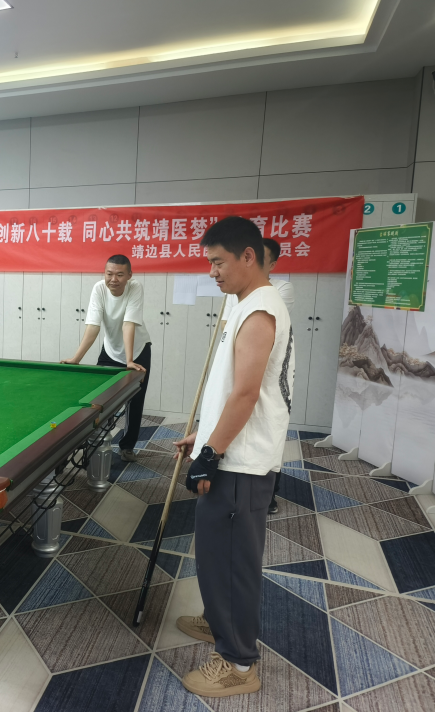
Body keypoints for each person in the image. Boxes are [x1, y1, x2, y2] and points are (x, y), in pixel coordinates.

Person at [172, 216, 294, 698]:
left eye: (218, 261)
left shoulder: (261, 310)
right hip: (231, 450)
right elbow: (230, 389)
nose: (212, 271)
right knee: (216, 553)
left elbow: (246, 395)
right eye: (209, 262)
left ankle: (239, 662)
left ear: (248, 256)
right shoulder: (244, 303)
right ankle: (218, 619)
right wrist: (204, 435)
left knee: (232, 561)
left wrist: (211, 453)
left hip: (240, 462)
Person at [220, 237, 295, 515]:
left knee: (265, 431)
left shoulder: (276, 292)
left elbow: (255, 327)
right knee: (236, 426)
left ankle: (268, 494)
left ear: (271, 264)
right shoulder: (236, 291)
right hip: (241, 364)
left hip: (265, 372)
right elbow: (227, 328)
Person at [61, 255, 151, 462]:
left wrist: (129, 360)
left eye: (120, 275)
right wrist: (76, 358)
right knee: (100, 399)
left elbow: (128, 324)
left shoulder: (135, 288)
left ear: (129, 275)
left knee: (135, 400)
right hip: (110, 350)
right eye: (109, 274)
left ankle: (127, 447)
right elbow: (93, 326)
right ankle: (94, 441)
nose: (113, 279)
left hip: (138, 350)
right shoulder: (99, 289)